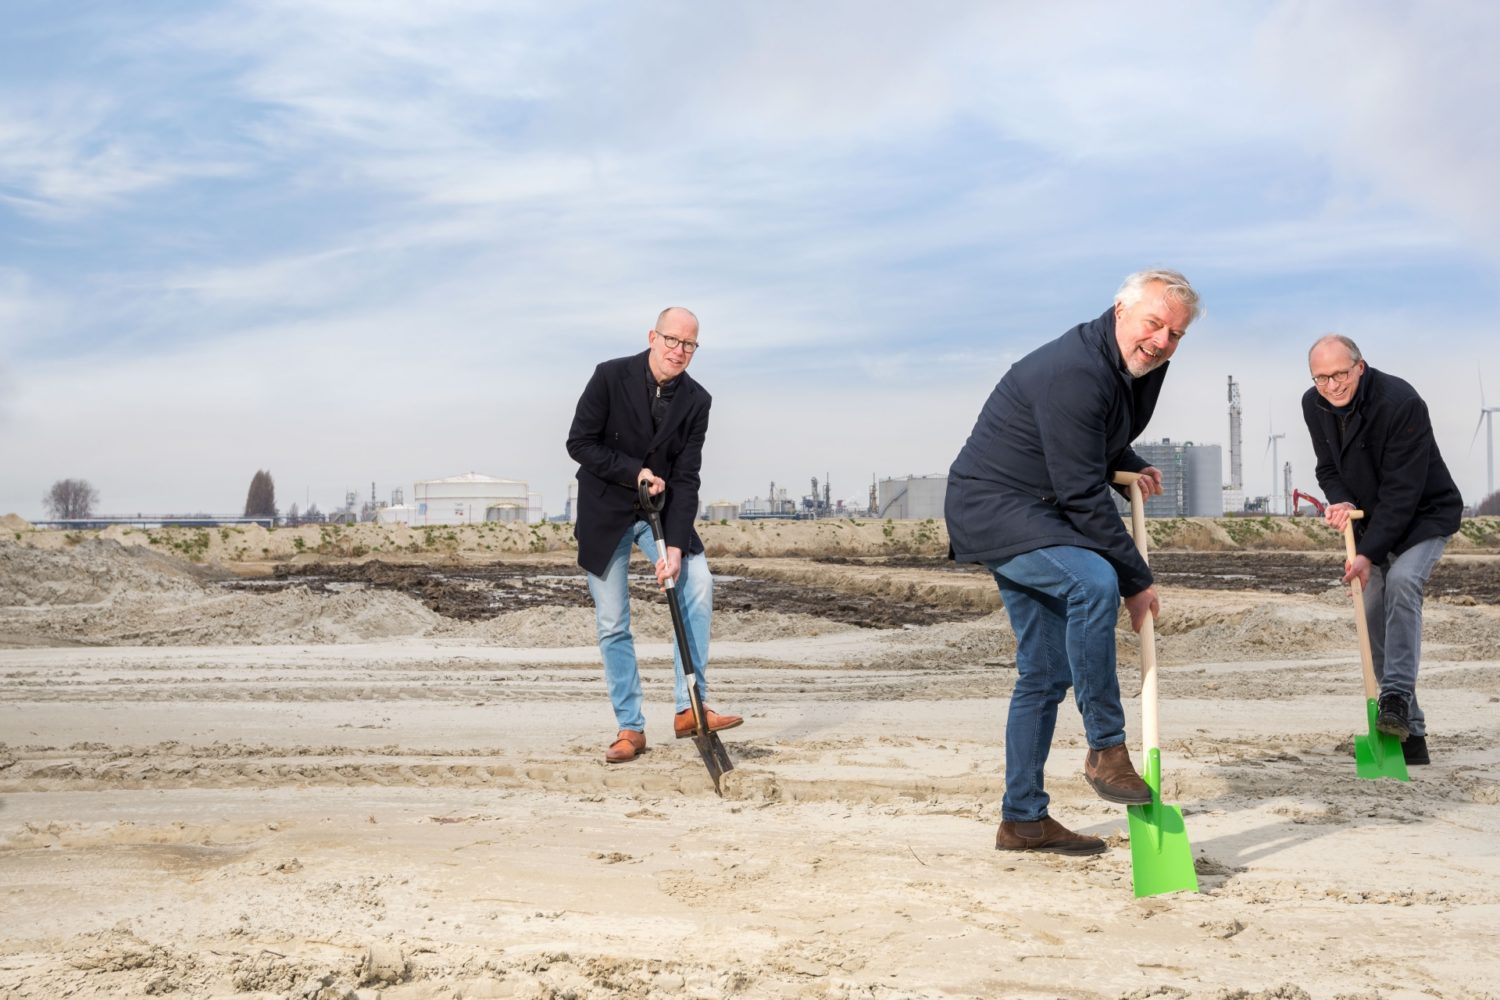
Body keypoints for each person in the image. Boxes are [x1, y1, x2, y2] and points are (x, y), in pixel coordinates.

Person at [945, 269, 1202, 856]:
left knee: (1043, 673)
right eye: (1153, 324)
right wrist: (1138, 582)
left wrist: (1129, 460)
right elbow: (1083, 490)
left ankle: (1023, 820)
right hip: (998, 506)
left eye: (1175, 335)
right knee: (1095, 581)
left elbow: (1100, 436)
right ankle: (1106, 748)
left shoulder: (1137, 365)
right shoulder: (1076, 371)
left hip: (1041, 507)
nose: (1161, 341)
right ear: (1120, 310)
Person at [566, 306, 742, 764]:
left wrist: (678, 547)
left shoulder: (697, 401)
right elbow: (579, 443)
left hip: (659, 516)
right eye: (672, 340)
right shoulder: (609, 377)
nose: (678, 351)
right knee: (612, 622)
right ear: (652, 336)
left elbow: (686, 478)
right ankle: (630, 727)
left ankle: (689, 708)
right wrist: (635, 471)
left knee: (699, 582)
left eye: (689, 344)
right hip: (605, 512)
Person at [1302, 334, 1462, 766]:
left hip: (1423, 515)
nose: (1332, 386)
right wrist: (1342, 500)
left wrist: (1367, 554)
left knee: (1405, 583)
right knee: (1371, 606)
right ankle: (1412, 735)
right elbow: (1328, 468)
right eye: (1321, 378)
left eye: (1339, 374)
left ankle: (1394, 698)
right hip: (1372, 520)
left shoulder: (1400, 402)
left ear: (1360, 366)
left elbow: (1402, 493)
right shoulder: (1312, 404)